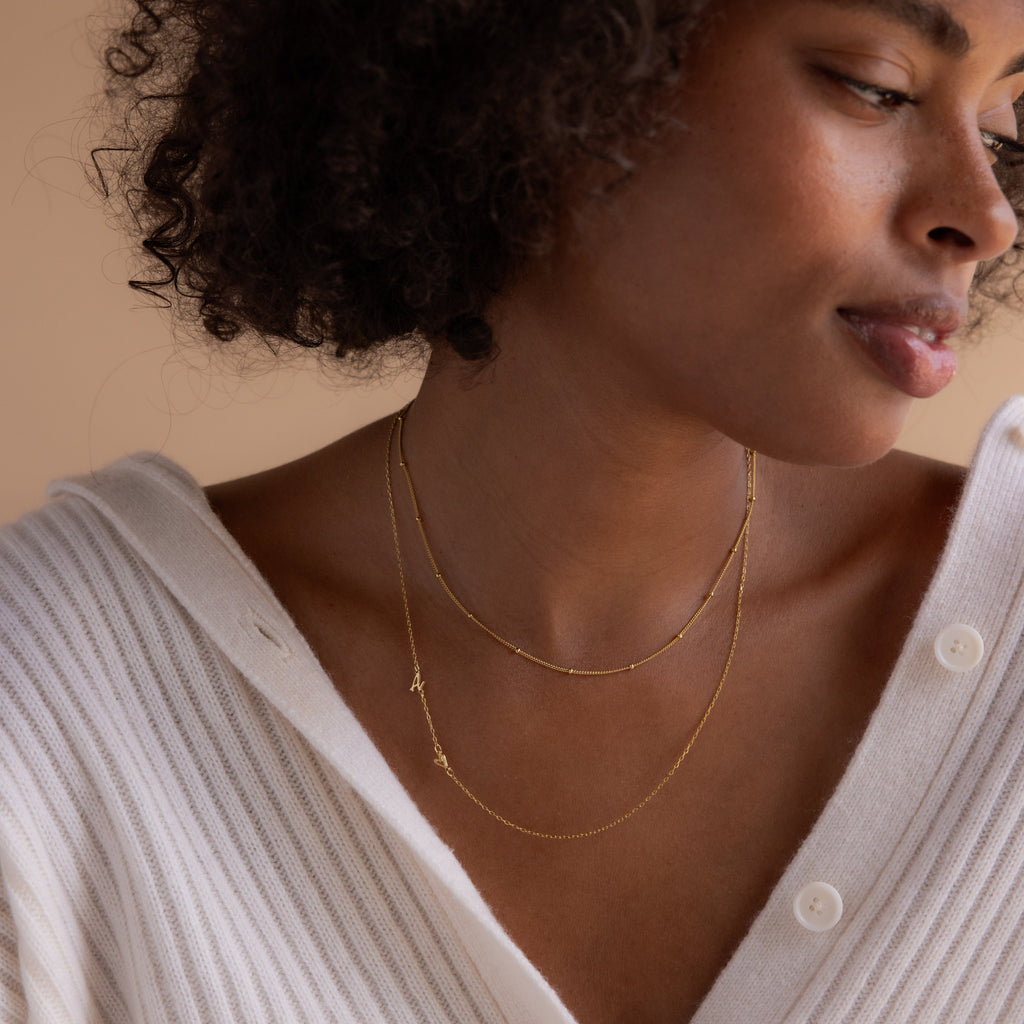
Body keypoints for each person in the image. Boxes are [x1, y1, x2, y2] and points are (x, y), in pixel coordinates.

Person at [4, 0, 1024, 1020]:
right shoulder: (53, 701)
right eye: (877, 88)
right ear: (559, 66)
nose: (985, 214)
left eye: (1004, 125)